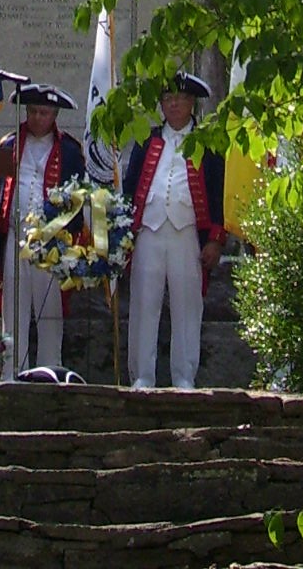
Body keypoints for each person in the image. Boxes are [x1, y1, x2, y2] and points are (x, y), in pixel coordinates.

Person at [125, 71, 225, 391]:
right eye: (168, 100)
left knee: (187, 306)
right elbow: (129, 189)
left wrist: (215, 239)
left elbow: (218, 191)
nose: (173, 106)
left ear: (192, 103)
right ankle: (142, 375)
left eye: (180, 100)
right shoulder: (147, 140)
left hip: (187, 233)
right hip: (149, 231)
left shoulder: (207, 143)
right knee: (144, 303)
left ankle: (184, 376)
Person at [0, 82, 84, 378]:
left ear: (54, 114)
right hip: (15, 235)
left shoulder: (69, 150)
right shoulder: (9, 144)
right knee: (12, 310)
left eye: (43, 112)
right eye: (32, 111)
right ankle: (10, 373)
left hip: (51, 242)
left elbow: (77, 201)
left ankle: (50, 373)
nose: (36, 118)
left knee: (49, 315)